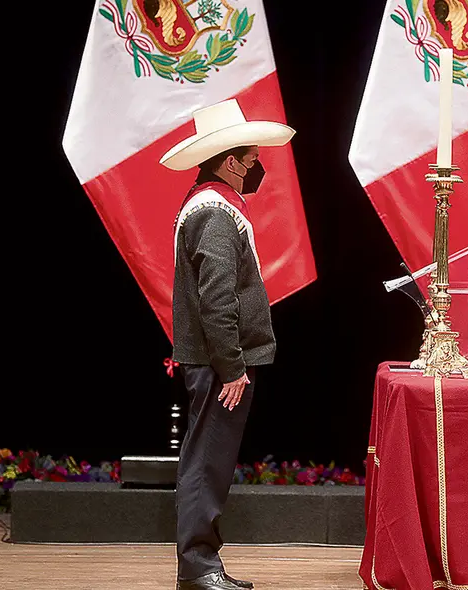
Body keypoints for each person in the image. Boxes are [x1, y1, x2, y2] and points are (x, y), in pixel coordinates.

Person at [160, 99, 296, 590]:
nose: (258, 165)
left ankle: (201, 565)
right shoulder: (215, 212)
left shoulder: (212, 205)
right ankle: (197, 568)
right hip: (221, 366)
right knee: (205, 465)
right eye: (253, 157)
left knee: (207, 462)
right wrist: (233, 367)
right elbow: (216, 298)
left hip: (217, 362)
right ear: (232, 161)